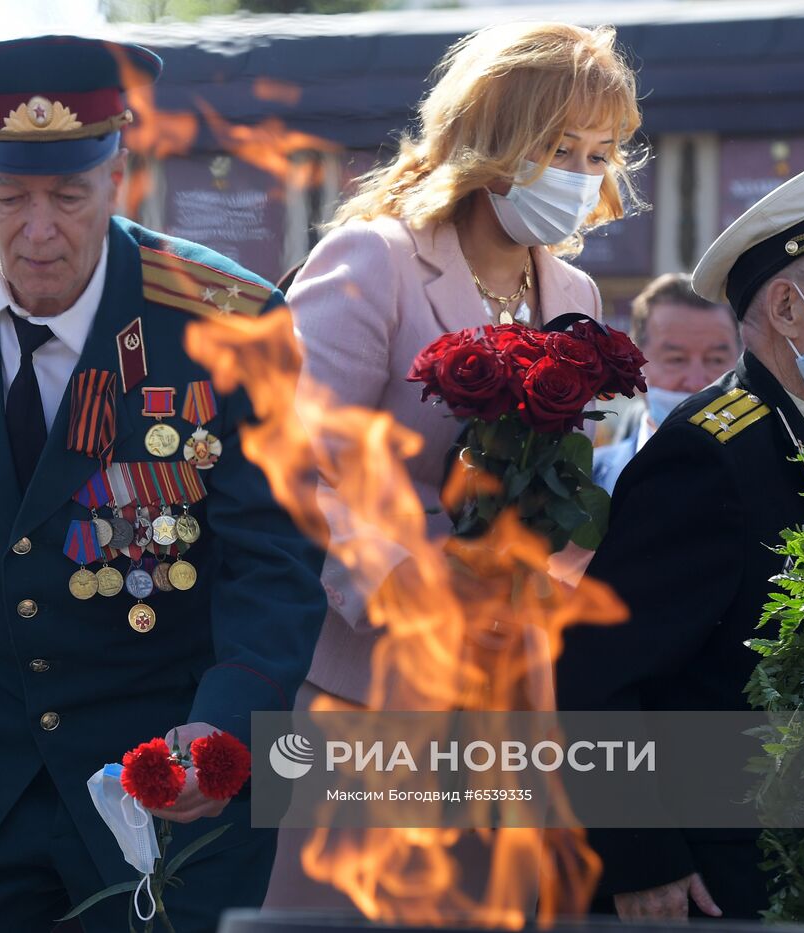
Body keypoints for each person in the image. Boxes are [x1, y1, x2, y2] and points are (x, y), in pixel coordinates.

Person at [0, 36, 326, 932]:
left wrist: (227, 723)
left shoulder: (229, 322)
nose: (39, 231)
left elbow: (273, 556)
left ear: (119, 177)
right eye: (10, 197)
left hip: (162, 780)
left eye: (69, 196)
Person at [262, 20, 643, 909]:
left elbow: (565, 487)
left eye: (599, 153)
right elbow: (299, 464)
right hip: (365, 692)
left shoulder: (575, 293)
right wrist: (412, 586)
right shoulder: (375, 258)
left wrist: (544, 582)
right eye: (560, 148)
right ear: (493, 140)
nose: (582, 174)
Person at [555, 150, 804, 920]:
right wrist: (643, 859)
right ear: (788, 308)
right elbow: (592, 673)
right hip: (717, 878)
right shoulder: (710, 454)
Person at [591, 273, 739, 493]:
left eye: (715, 360)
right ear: (633, 364)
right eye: (676, 360)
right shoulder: (587, 480)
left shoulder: (777, 477)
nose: (696, 383)